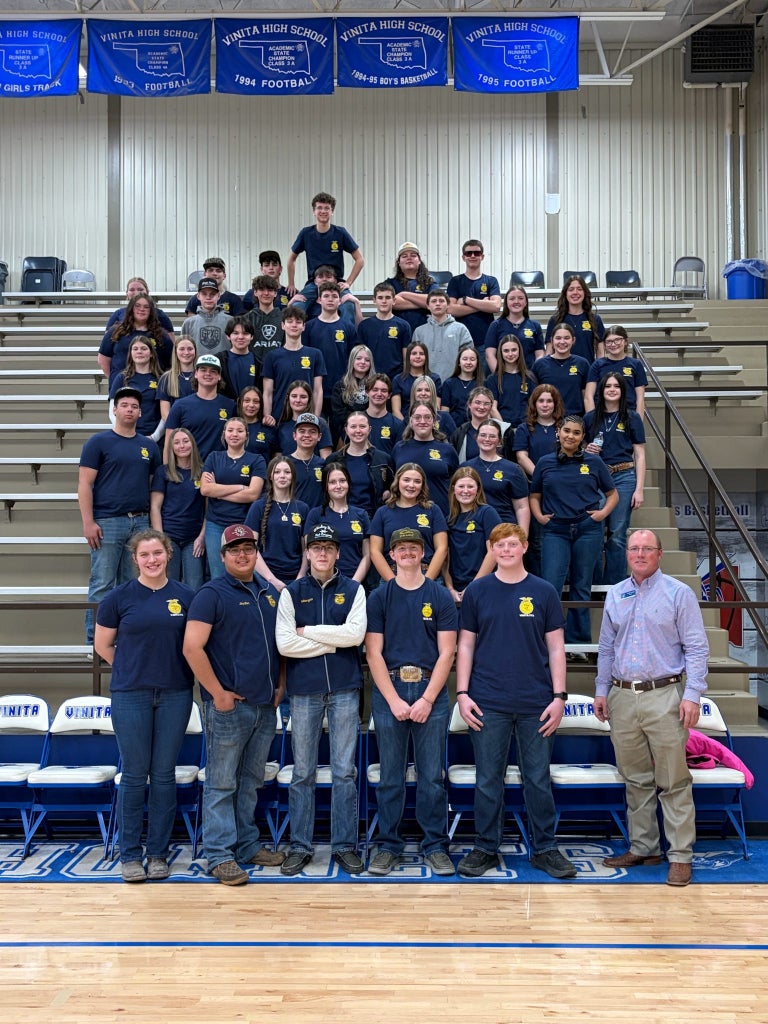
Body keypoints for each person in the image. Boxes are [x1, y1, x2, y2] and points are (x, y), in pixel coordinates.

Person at [455, 522, 577, 879]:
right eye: (499, 545)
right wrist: (462, 693)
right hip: (487, 700)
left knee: (537, 778)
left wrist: (559, 696)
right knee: (487, 780)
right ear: (491, 550)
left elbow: (556, 648)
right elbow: (465, 645)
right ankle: (485, 848)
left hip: (536, 702)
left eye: (512, 544)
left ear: (524, 547)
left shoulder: (544, 591)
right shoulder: (478, 591)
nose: (506, 550)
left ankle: (545, 849)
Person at [594, 529, 710, 887]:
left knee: (673, 780)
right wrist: (601, 690)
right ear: (627, 554)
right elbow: (607, 648)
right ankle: (645, 847)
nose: (640, 554)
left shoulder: (679, 593)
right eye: (634, 548)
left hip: (665, 694)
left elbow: (696, 647)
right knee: (636, 779)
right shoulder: (616, 593)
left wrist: (693, 694)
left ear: (660, 554)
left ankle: (680, 856)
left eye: (647, 548)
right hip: (622, 695)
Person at [183, 524, 287, 885]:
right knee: (222, 782)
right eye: (235, 550)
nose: (242, 555)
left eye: (248, 549)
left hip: (264, 705)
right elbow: (192, 647)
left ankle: (246, 844)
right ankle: (219, 854)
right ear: (223, 555)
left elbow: (280, 644)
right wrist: (218, 693)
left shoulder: (269, 593)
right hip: (228, 707)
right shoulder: (211, 594)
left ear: (257, 553)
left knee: (250, 781)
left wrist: (281, 683)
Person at [94, 529, 195, 882]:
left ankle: (158, 854)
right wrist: (131, 668)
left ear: (168, 554)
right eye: (145, 555)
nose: (152, 560)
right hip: (130, 695)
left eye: (157, 553)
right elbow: (103, 646)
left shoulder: (186, 596)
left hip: (175, 694)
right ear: (134, 559)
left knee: (164, 776)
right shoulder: (118, 598)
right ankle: (130, 856)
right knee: (135, 775)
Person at [275, 523, 368, 875]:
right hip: (304, 690)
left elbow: (355, 635)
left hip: (345, 688)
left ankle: (344, 846)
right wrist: (333, 642)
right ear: (308, 552)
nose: (323, 553)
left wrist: (310, 633)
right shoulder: (291, 592)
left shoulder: (355, 589)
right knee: (302, 772)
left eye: (329, 547)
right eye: (317, 547)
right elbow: (286, 644)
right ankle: (300, 846)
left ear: (338, 553)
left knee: (344, 772)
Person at [365, 527, 458, 876]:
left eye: (413, 548)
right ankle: (388, 845)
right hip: (389, 688)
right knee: (390, 776)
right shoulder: (380, 596)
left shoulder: (440, 596)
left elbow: (447, 652)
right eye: (401, 548)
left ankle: (435, 844)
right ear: (391, 555)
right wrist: (393, 701)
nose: (407, 553)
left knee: (431, 776)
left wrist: (427, 700)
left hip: (429, 688)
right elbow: (373, 653)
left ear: (423, 553)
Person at [78, 386, 162, 645]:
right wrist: (88, 522)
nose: (129, 409)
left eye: (134, 406)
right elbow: (84, 484)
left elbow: (152, 487)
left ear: (140, 413)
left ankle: (127, 639)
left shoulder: (148, 446)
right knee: (102, 583)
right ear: (114, 410)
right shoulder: (98, 442)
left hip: (140, 522)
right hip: (107, 522)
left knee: (133, 583)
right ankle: (95, 642)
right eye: (124, 405)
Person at [529, 415, 618, 649]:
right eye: (566, 431)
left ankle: (578, 642)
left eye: (576, 433)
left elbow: (612, 494)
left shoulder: (594, 463)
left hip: (587, 530)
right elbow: (534, 495)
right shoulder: (545, 462)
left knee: (581, 585)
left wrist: (602, 514)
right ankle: (550, 641)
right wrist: (539, 517)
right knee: (551, 586)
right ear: (558, 432)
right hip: (555, 531)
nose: (570, 436)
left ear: (582, 437)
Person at [583, 372, 646, 585]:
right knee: (594, 530)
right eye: (608, 386)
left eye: (616, 386)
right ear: (601, 391)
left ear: (622, 391)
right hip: (597, 479)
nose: (612, 390)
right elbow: (579, 449)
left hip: (624, 476)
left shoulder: (632, 417)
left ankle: (615, 585)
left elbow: (640, 454)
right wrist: (586, 449)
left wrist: (639, 489)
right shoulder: (590, 418)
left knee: (617, 534)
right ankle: (594, 585)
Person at [200, 417, 266, 577]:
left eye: (239, 431)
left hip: (244, 524)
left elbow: (252, 494)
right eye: (230, 430)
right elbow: (205, 490)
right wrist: (239, 487)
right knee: (218, 574)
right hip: (215, 525)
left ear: (247, 435)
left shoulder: (257, 460)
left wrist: (218, 491)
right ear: (224, 434)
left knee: (245, 572)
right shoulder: (214, 457)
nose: (234, 434)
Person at [510, 384, 564, 577]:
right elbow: (521, 457)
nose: (545, 405)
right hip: (535, 490)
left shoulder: (564, 427)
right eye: (541, 401)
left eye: (549, 401)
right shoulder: (525, 428)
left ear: (555, 404)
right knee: (538, 540)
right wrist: (543, 477)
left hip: (563, 490)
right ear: (534, 403)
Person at [287, 192, 364, 325]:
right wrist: (291, 284)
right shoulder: (306, 233)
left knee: (348, 306)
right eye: (319, 208)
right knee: (297, 306)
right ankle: (297, 338)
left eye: (327, 208)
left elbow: (360, 259)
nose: (323, 211)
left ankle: (347, 337)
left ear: (332, 211)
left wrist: (348, 283)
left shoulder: (340, 233)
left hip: (336, 283)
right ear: (314, 211)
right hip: (314, 284)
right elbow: (291, 260)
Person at [369, 463, 448, 584]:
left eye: (417, 481)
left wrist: (426, 582)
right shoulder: (382, 512)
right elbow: (375, 551)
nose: (411, 485)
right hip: (392, 575)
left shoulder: (433, 510)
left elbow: (442, 548)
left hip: (427, 574)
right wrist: (393, 583)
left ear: (422, 485)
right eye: (406, 480)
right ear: (397, 482)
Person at [150, 427, 206, 590]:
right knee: (168, 584)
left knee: (195, 586)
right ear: (171, 447)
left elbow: (209, 509)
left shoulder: (203, 472)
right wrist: (161, 540)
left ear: (192, 444)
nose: (182, 446)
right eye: (177, 442)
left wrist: (202, 537)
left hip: (193, 539)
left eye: (185, 441)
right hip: (169, 537)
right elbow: (155, 507)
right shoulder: (163, 472)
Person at [244, 456, 309, 589]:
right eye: (277, 472)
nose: (282, 476)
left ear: (293, 476)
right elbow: (250, 548)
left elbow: (306, 550)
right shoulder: (258, 507)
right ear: (270, 476)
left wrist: (300, 577)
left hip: (295, 578)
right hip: (264, 578)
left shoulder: (303, 508)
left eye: (287, 472)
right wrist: (271, 580)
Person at [305, 463, 371, 584]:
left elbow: (367, 555)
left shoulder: (361, 514)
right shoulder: (315, 515)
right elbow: (309, 552)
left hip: (356, 581)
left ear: (348, 483)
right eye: (332, 482)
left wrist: (353, 584)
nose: (338, 486)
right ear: (326, 486)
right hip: (323, 582)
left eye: (342, 481)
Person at [443, 467, 501, 603]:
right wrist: (450, 588)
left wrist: (474, 586)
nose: (465, 491)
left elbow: (493, 552)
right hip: (456, 591)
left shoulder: (487, 513)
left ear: (478, 489)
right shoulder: (449, 519)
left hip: (484, 586)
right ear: (453, 489)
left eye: (470, 486)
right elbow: (445, 558)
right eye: (461, 486)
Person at [163, 354, 236, 462]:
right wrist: (167, 469)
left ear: (219, 376)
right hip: (189, 468)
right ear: (196, 374)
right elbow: (169, 443)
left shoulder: (230, 405)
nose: (208, 374)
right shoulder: (180, 405)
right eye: (203, 370)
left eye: (213, 371)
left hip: (219, 468)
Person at [464, 418, 530, 533]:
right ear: (476, 437)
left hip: (504, 529)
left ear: (500, 441)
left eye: (492, 436)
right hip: (473, 528)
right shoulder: (465, 468)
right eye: (483, 435)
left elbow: (522, 507)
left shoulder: (513, 469)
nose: (487, 439)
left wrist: (522, 536)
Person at [393, 401, 459, 517]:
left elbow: (456, 483)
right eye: (417, 417)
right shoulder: (399, 448)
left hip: (441, 515)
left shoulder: (447, 450)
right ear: (411, 421)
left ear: (434, 421)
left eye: (427, 417)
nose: (422, 421)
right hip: (405, 516)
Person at [261, 307, 325, 425]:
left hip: (306, 417)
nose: (294, 325)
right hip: (279, 417)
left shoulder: (315, 354)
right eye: (290, 321)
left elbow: (317, 390)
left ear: (304, 326)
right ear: (283, 325)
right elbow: (268, 392)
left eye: (298, 322)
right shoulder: (272, 356)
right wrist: (267, 416)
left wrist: (315, 418)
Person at [325, 410, 393, 518]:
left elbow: (393, 488)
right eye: (353, 427)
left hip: (373, 518)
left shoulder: (383, 459)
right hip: (341, 517)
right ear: (346, 430)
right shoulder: (333, 460)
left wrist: (388, 493)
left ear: (369, 429)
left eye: (362, 426)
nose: (358, 431)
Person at [303, 282, 357, 412]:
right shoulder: (309, 327)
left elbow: (353, 360)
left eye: (334, 296)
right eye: (326, 296)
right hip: (315, 388)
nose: (330, 299)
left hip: (341, 388)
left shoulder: (348, 327)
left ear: (340, 301)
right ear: (319, 300)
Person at [98, 292, 173, 384]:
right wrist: (114, 380)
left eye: (146, 307)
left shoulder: (161, 335)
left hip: (152, 387)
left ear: (151, 311)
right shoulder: (115, 331)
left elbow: (171, 362)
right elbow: (103, 359)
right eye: (137, 306)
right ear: (131, 309)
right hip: (122, 386)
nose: (142, 309)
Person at [446, 239, 502, 348]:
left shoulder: (491, 281)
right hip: (460, 340)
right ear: (463, 257)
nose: (472, 256)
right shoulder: (455, 281)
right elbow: (450, 309)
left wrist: (466, 300)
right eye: (468, 253)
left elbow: (495, 306)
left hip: (485, 341)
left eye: (476, 253)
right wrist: (482, 305)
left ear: (482, 256)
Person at [584, 324, 647, 418]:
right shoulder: (597, 365)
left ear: (625, 341)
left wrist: (638, 422)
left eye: (617, 340)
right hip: (602, 416)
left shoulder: (636, 364)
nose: (613, 344)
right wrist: (592, 421)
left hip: (628, 415)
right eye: (609, 341)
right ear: (604, 344)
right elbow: (588, 397)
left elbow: (640, 399)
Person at [412, 289, 473, 383]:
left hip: (454, 382)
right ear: (428, 306)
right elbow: (414, 360)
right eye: (433, 301)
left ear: (448, 305)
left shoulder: (460, 329)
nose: (437, 304)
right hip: (426, 384)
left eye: (441, 301)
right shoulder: (419, 331)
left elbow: (468, 358)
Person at [108, 336, 162, 440]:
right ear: (131, 353)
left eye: (144, 348)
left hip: (153, 437)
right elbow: (112, 411)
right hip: (126, 437)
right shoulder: (121, 378)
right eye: (135, 349)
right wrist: (124, 433)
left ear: (151, 353)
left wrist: (155, 437)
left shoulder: (161, 379)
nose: (139, 352)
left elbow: (165, 413)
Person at [531, 322, 590, 417]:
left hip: (574, 418)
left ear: (573, 340)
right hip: (548, 418)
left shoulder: (582, 363)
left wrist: (588, 419)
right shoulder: (540, 365)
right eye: (558, 338)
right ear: (551, 340)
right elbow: (533, 397)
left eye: (566, 338)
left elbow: (586, 396)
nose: (562, 342)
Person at [356, 281, 411, 379]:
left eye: (388, 297)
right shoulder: (364, 325)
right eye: (380, 298)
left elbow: (406, 358)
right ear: (374, 300)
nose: (384, 301)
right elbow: (360, 356)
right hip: (370, 377)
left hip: (395, 378)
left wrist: (404, 378)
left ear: (394, 300)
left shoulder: (403, 325)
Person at [545, 275, 604, 364]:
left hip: (587, 370)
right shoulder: (555, 320)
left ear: (585, 293)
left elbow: (600, 353)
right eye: (571, 289)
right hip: (561, 370)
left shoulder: (595, 319)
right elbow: (549, 352)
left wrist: (599, 369)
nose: (575, 292)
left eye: (579, 289)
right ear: (565, 293)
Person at [484, 285, 544, 373]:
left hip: (529, 376)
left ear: (526, 302)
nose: (516, 301)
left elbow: (540, 354)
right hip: (503, 376)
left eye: (520, 298)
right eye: (512, 299)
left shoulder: (535, 325)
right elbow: (490, 355)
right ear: (506, 302)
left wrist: (532, 376)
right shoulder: (496, 325)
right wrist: (500, 376)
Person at [102, 277, 176, 341]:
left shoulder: (160, 315)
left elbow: (171, 344)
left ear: (147, 292)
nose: (137, 292)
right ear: (127, 293)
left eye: (140, 289)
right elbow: (106, 344)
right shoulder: (118, 314)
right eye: (132, 290)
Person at [385, 242, 437, 332]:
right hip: (398, 331)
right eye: (404, 256)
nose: (409, 258)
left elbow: (436, 301)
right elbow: (392, 302)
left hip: (426, 331)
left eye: (413, 255)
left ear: (419, 261)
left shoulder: (429, 282)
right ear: (399, 263)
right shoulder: (390, 283)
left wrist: (404, 294)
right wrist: (424, 303)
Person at [486, 336, 536, 429]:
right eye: (506, 351)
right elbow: (493, 409)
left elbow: (534, 406)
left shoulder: (529, 377)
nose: (510, 354)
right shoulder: (492, 379)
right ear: (500, 353)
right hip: (502, 428)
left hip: (525, 428)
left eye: (514, 350)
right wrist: (505, 429)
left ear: (519, 351)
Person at [240, 275, 285, 377]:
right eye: (261, 289)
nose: (266, 293)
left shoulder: (284, 318)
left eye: (270, 290)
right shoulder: (246, 319)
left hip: (278, 368)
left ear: (275, 293)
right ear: (255, 292)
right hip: (251, 369)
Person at [330, 345, 374, 446]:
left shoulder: (375, 385)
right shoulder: (340, 386)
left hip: (371, 430)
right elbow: (338, 414)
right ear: (352, 361)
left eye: (367, 360)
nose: (363, 362)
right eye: (358, 358)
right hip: (346, 433)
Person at [276, 380, 333, 458]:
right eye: (294, 396)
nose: (298, 400)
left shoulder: (320, 423)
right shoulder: (281, 426)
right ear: (288, 398)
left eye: (303, 397)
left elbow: (326, 458)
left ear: (309, 399)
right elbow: (278, 458)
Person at [180, 277, 234, 357]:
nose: (208, 297)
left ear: (218, 296)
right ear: (198, 296)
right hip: (197, 365)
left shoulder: (230, 321)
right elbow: (182, 350)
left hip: (224, 364)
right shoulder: (188, 323)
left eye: (212, 294)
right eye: (204, 294)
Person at [390, 341, 441, 421]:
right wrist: (408, 425)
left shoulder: (435, 379)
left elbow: (436, 408)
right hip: (405, 423)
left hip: (429, 422)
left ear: (426, 357)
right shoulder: (398, 379)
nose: (418, 356)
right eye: (414, 353)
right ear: (408, 357)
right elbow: (396, 411)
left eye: (421, 354)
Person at [287, 412, 325, 509]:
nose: (307, 435)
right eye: (302, 431)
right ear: (294, 435)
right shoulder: (285, 464)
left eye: (312, 431)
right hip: (293, 515)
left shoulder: (323, 464)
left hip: (317, 516)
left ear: (319, 436)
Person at [440, 345, 485, 428]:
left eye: (472, 359)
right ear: (459, 362)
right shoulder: (448, 383)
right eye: (465, 359)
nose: (468, 362)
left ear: (477, 363)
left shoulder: (483, 384)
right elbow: (445, 412)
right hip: (453, 429)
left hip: (477, 428)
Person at [449, 386, 495, 462]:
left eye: (486, 404)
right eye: (477, 402)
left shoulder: (503, 431)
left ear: (491, 406)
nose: (482, 407)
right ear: (469, 404)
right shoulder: (459, 434)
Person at [158, 336, 197, 423]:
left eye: (190, 349)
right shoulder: (166, 378)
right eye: (182, 349)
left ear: (195, 350)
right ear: (175, 351)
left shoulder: (202, 376)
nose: (186, 352)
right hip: (175, 429)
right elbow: (165, 414)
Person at [219, 318, 259, 400]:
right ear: (228, 336)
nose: (240, 337)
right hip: (225, 407)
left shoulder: (259, 362)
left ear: (252, 336)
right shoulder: (219, 360)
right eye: (235, 333)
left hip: (250, 407)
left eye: (245, 333)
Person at [236, 385, 275, 465]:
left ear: (261, 404)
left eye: (256, 401)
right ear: (240, 402)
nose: (251, 405)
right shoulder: (232, 427)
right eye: (247, 401)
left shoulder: (268, 429)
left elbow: (276, 457)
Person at [365, 373, 403, 454]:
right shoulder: (355, 421)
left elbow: (400, 455)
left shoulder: (397, 425)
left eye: (384, 391)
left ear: (389, 395)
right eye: (375, 390)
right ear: (367, 392)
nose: (379, 394)